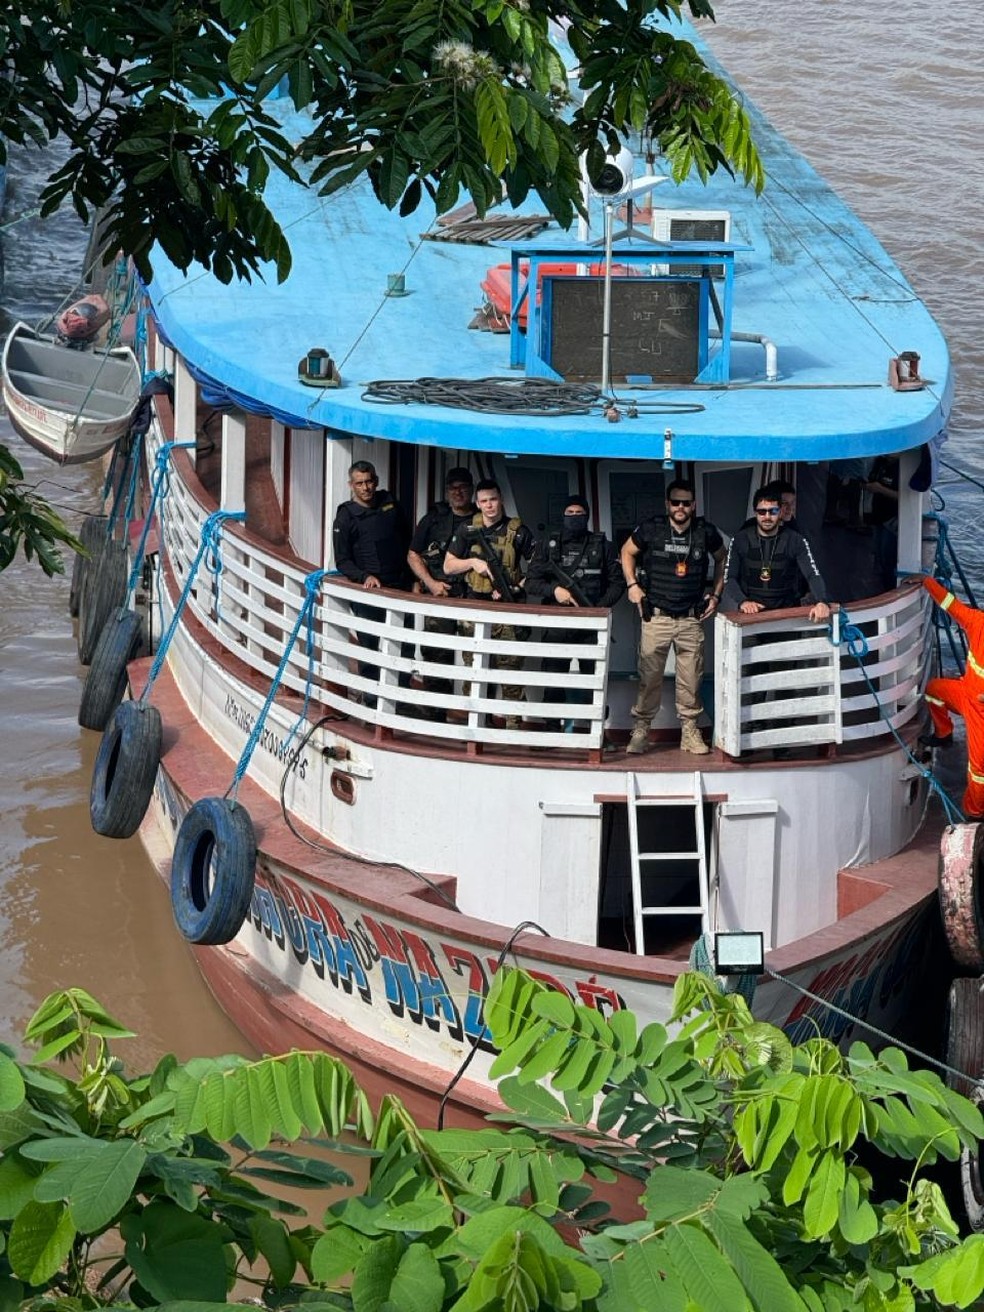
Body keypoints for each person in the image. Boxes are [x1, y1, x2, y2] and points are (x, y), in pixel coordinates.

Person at [620, 480, 726, 756]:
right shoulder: (652, 528)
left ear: (694, 505)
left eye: (686, 502)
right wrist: (632, 585)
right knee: (649, 676)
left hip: (691, 618)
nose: (681, 507)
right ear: (668, 504)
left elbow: (723, 559)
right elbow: (626, 552)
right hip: (657, 617)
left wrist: (715, 595)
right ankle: (642, 730)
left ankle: (690, 732)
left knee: (691, 679)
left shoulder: (705, 532)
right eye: (676, 502)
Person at [444, 480, 536, 729]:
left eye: (493, 500)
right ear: (477, 503)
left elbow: (537, 568)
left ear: (501, 500)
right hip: (475, 608)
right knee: (474, 672)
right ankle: (476, 728)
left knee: (510, 675)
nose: (489, 505)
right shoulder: (467, 529)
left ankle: (513, 728)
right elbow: (448, 565)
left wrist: (516, 588)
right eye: (483, 501)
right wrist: (473, 563)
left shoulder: (518, 531)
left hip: (507, 610)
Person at [526, 495, 624, 723]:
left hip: (590, 627)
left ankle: (596, 733)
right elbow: (531, 582)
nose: (574, 518)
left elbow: (617, 583)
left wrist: (598, 609)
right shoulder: (548, 545)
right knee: (552, 681)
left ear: (587, 516)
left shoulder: (603, 546)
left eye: (579, 513)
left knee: (595, 682)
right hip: (557, 625)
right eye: (569, 513)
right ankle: (551, 731)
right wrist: (554, 591)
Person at [331, 461, 412, 703]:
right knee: (371, 646)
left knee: (404, 645)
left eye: (369, 481)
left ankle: (401, 699)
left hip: (399, 586)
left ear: (376, 481)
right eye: (360, 483)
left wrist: (413, 579)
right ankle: (372, 702)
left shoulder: (390, 504)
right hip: (369, 593)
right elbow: (342, 561)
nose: (366, 488)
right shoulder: (346, 516)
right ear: (351, 486)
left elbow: (407, 542)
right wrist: (364, 576)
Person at [406, 467, 476, 714]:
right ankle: (437, 714)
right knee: (437, 655)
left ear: (472, 490)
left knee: (476, 659)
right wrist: (431, 583)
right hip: (440, 597)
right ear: (447, 491)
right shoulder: (434, 519)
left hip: (471, 598)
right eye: (453, 488)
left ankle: (475, 715)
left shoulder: (480, 520)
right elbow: (413, 554)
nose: (458, 493)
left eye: (463, 487)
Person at [920, 576, 984, 818]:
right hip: (964, 695)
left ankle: (975, 813)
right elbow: (949, 603)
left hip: (981, 712)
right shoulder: (977, 622)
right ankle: (944, 734)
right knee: (933, 691)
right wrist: (927, 581)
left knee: (978, 770)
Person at [724, 485, 831, 619]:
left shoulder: (796, 540)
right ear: (755, 512)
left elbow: (812, 574)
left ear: (780, 512)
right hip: (751, 614)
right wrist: (743, 601)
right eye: (762, 512)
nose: (767, 517)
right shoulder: (740, 540)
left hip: (787, 613)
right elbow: (729, 577)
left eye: (772, 511)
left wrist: (821, 601)